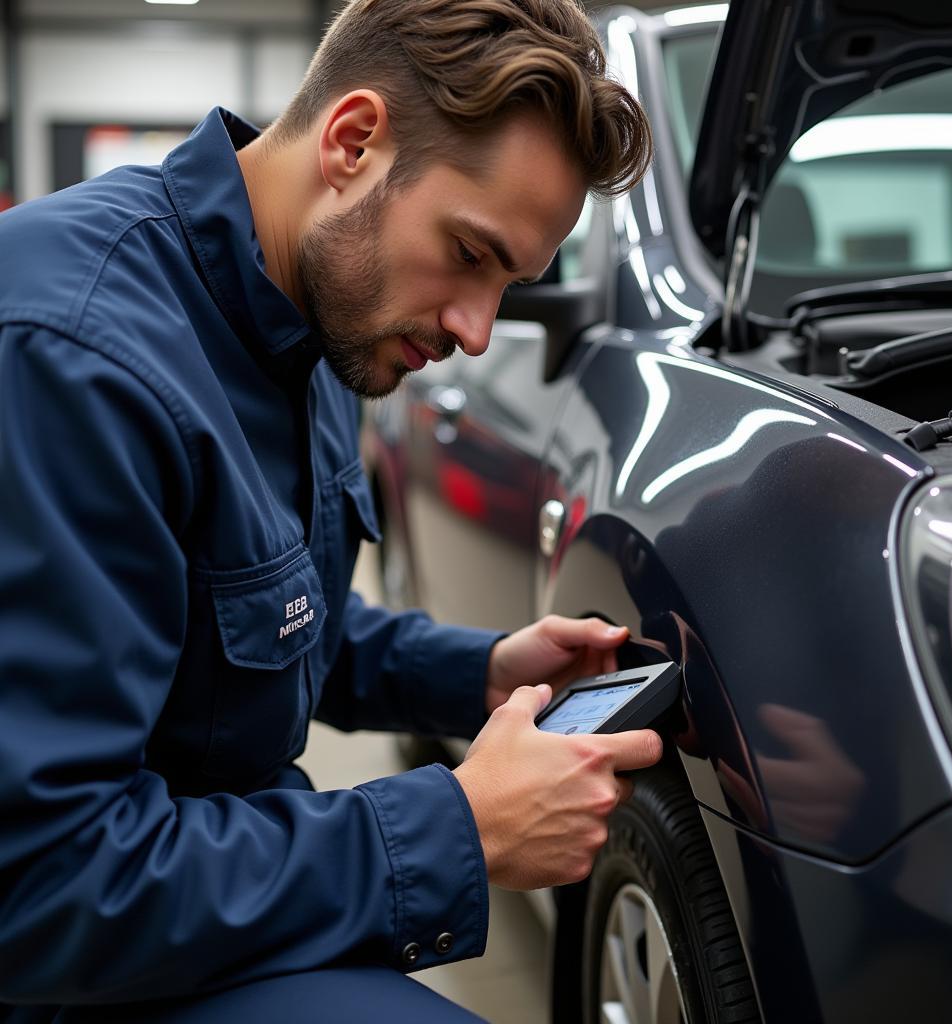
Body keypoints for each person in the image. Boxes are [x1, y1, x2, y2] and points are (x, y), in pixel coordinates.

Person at [0, 1, 659, 1020]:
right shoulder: (70, 356)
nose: (476, 332)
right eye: (471, 253)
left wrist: (477, 673)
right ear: (352, 143)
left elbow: (258, 632)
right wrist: (459, 828)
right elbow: (41, 885)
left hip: (194, 902)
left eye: (511, 284)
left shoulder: (316, 317)